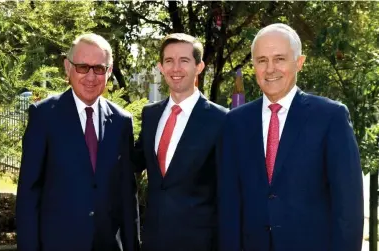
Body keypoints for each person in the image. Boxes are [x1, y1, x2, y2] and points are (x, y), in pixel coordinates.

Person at [218, 23, 364, 251]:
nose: (270, 69)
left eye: (279, 59)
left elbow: (349, 207)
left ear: (299, 62)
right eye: (262, 60)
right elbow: (229, 204)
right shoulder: (235, 122)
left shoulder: (330, 117)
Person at [16, 33, 139, 251]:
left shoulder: (121, 122)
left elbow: (127, 196)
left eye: (99, 68)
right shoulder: (44, 116)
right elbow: (29, 193)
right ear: (67, 67)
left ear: (109, 72)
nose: (91, 77)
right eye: (82, 67)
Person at [132, 33, 228, 251]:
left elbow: (229, 190)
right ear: (161, 67)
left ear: (199, 66)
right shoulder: (150, 115)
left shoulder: (221, 119)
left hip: (202, 243)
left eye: (184, 61)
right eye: (169, 61)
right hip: (153, 241)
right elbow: (133, 162)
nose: (176, 68)